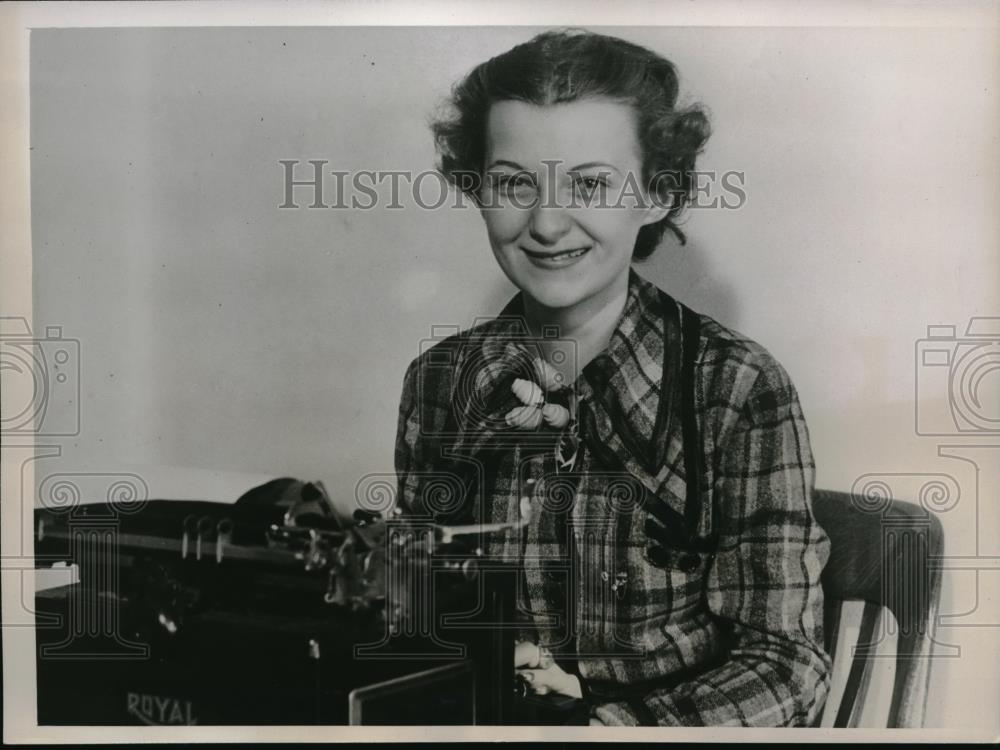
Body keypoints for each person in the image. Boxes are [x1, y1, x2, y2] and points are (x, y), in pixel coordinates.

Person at [393, 29, 832, 727]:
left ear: (656, 194)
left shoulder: (739, 389)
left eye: (590, 183)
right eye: (512, 182)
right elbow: (419, 616)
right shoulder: (440, 383)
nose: (545, 222)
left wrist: (607, 731)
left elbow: (784, 666)